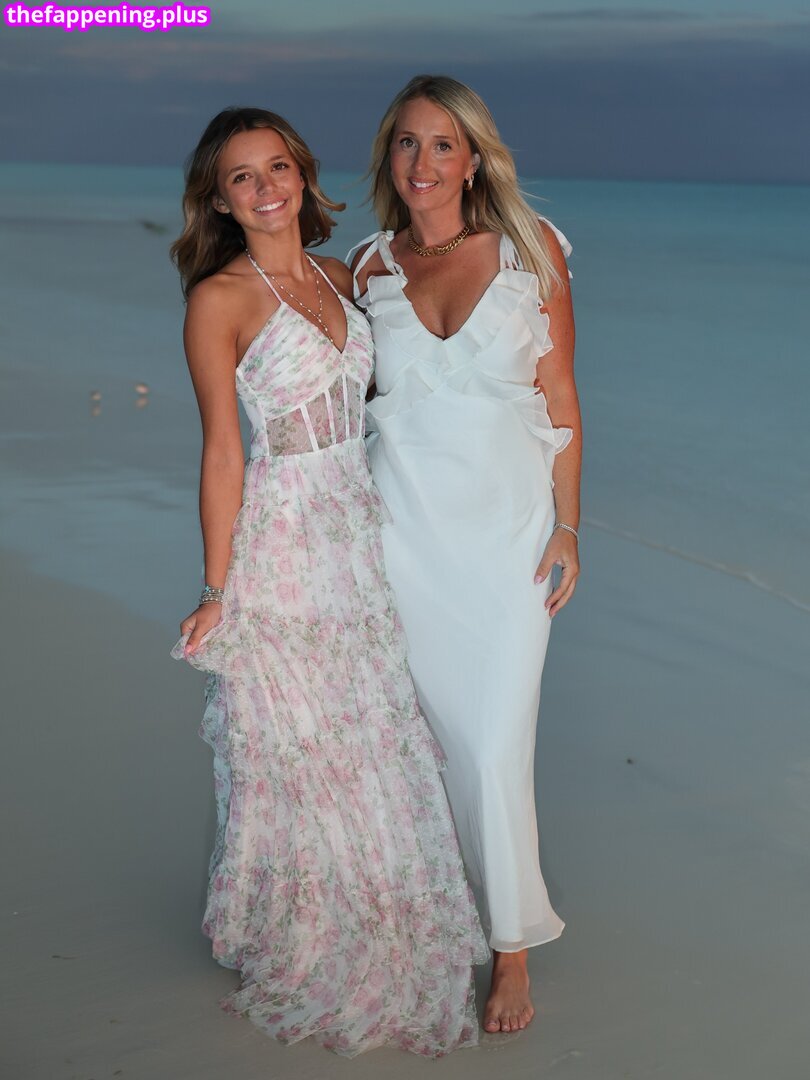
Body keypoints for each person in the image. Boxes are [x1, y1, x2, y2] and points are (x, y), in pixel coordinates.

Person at [169, 107, 487, 1058]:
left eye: (277, 167)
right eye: (242, 177)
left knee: (373, 729)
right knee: (304, 743)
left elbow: (408, 395)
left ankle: (387, 906)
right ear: (219, 201)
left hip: (361, 526)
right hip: (286, 537)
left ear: (302, 175)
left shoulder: (343, 276)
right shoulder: (218, 299)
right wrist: (217, 589)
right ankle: (305, 929)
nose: (265, 188)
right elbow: (223, 453)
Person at [350, 74, 581, 1035]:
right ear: (389, 157)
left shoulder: (533, 249)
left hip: (510, 541)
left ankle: (511, 947)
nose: (423, 162)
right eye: (407, 143)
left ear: (474, 158)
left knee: (493, 744)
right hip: (399, 540)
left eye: (443, 144)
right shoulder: (365, 269)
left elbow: (561, 398)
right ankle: (428, 912)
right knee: (419, 745)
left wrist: (570, 525)